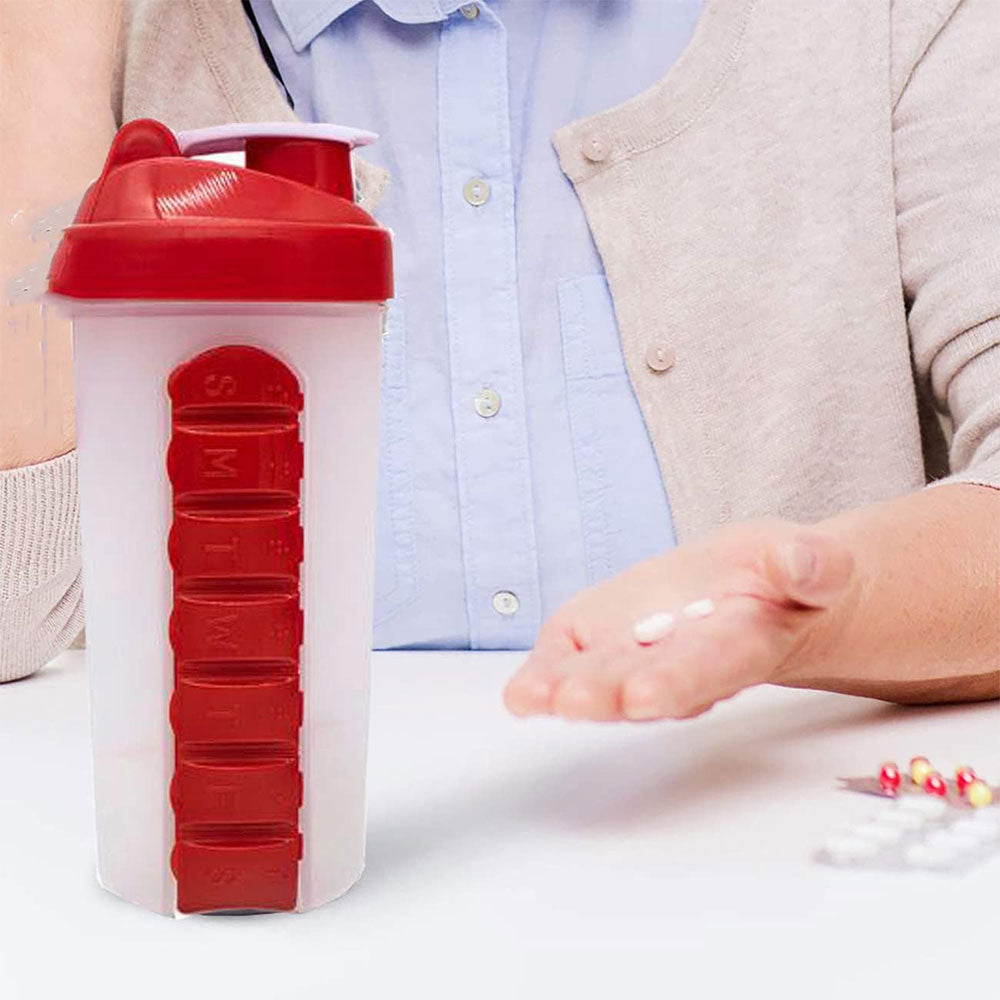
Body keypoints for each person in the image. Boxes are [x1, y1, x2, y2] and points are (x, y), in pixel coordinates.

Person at [2, 0, 998, 722]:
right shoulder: (90, 39)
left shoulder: (893, 20)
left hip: (779, 883)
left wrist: (827, 611)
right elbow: (11, 621)